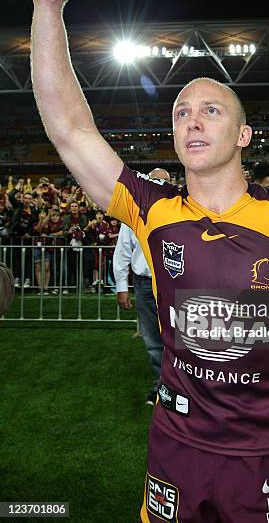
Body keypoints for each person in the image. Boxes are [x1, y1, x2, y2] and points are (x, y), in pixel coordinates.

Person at [31, 0, 269, 523]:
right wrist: (47, 6)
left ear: (242, 136)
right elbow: (69, 129)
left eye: (211, 110)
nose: (193, 121)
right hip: (175, 451)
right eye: (181, 112)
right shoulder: (151, 207)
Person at [113, 168, 170, 406]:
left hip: (172, 283)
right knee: (153, 338)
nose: (158, 184)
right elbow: (122, 251)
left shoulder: (179, 212)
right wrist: (121, 286)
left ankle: (183, 385)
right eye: (154, 180)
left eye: (163, 181)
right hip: (145, 283)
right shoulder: (134, 215)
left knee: (179, 336)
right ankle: (162, 386)